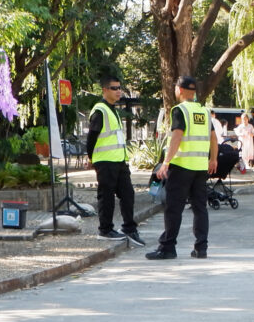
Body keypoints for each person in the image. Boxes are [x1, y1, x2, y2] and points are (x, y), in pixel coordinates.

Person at [146, 75, 216, 260]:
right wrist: (213, 159)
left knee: (173, 208)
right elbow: (213, 137)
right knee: (200, 208)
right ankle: (201, 248)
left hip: (181, 167)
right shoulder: (204, 111)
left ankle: (168, 248)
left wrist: (166, 162)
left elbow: (177, 136)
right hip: (200, 168)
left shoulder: (180, 110)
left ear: (180, 90)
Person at [86, 77, 145, 246]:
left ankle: (129, 228)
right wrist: (91, 158)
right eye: (114, 88)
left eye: (119, 88)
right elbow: (91, 137)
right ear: (105, 90)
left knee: (128, 194)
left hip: (119, 161)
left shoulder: (113, 110)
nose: (118, 91)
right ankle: (105, 230)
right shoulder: (100, 110)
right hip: (105, 161)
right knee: (107, 196)